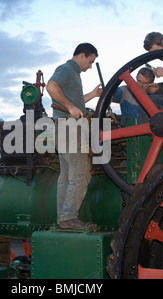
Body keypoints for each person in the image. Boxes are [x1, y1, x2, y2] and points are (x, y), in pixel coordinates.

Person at [46, 43, 102, 230]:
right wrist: (70, 107)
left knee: (67, 176)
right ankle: (69, 217)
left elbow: (76, 103)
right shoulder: (67, 69)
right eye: (90, 61)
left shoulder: (74, 75)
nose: (90, 66)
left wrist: (93, 94)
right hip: (70, 129)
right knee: (80, 174)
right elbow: (51, 86)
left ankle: (63, 219)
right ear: (82, 55)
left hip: (63, 128)